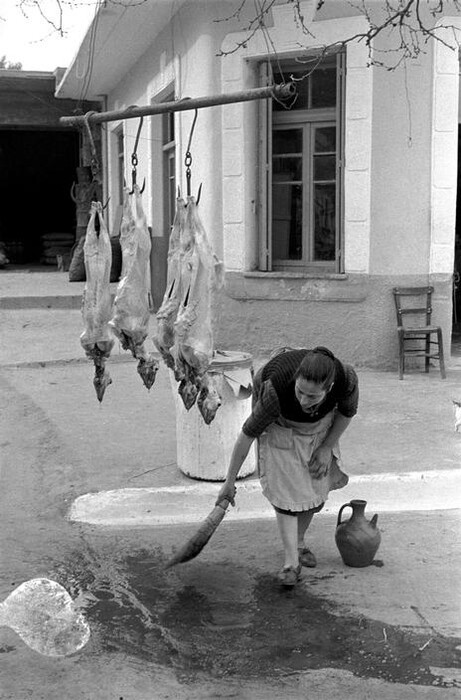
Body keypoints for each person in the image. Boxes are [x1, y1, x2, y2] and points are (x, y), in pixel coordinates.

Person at [216, 346, 359, 588]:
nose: (304, 400)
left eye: (312, 396)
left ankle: (299, 542)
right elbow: (247, 435)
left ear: (330, 388)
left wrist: (326, 448)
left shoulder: (346, 380)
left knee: (316, 487)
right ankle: (291, 563)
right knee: (285, 492)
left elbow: (346, 413)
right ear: (295, 381)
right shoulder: (275, 391)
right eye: (300, 391)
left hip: (318, 425)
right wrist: (229, 483)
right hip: (280, 422)